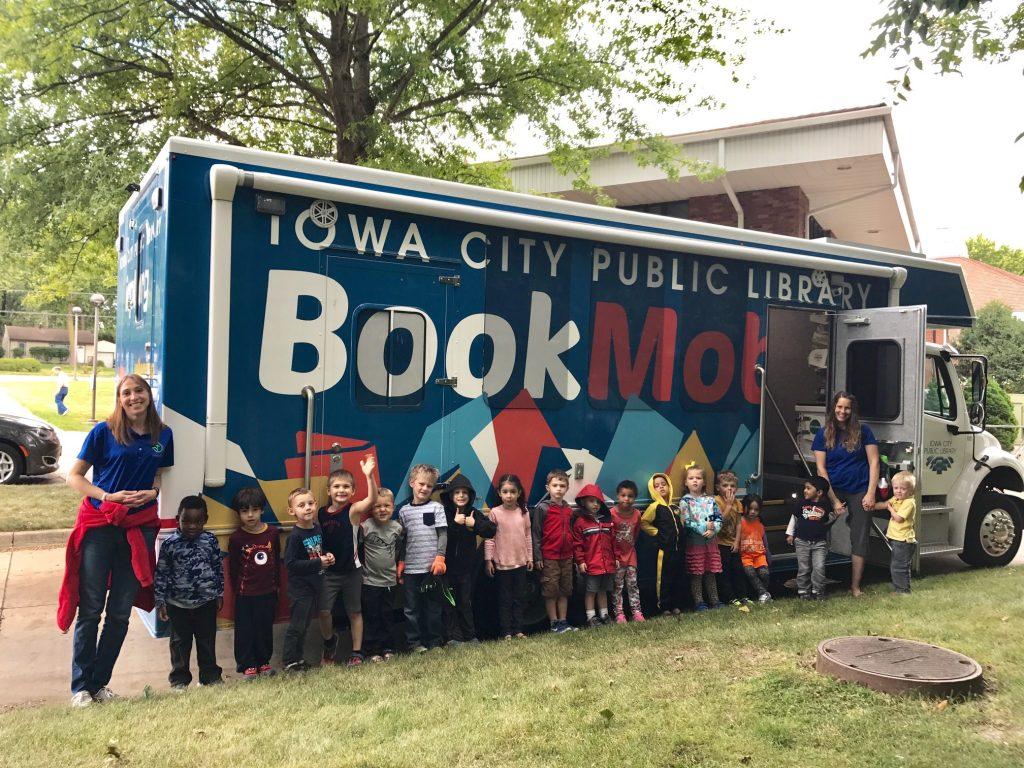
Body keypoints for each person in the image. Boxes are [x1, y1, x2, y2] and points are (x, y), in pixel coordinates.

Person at [61, 373, 173, 707]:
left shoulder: (162, 435)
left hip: (139, 527)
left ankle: (99, 684)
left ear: (148, 395)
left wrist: (151, 492)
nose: (134, 397)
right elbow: (74, 476)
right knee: (91, 608)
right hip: (100, 526)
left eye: (139, 390)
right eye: (126, 393)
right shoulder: (104, 432)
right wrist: (107, 496)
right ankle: (80, 687)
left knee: (120, 612)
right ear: (119, 399)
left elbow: (159, 476)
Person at [813, 391, 880, 597]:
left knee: (860, 537)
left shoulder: (864, 431)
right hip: (832, 488)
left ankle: (855, 587)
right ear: (834, 407)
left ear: (852, 410)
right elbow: (821, 470)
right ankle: (814, 584)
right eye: (839, 407)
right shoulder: (823, 433)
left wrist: (870, 493)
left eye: (847, 408)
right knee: (814, 530)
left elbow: (874, 462)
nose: (843, 411)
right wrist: (833, 500)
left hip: (859, 489)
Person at [154, 495, 224, 689]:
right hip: (177, 604)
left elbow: (217, 567)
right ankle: (179, 680)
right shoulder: (170, 544)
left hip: (206, 602)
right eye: (187, 521)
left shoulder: (210, 541)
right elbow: (162, 573)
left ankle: (209, 677)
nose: (192, 526)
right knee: (179, 643)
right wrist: (160, 601)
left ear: (205, 520)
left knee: (206, 640)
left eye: (197, 522)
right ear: (178, 519)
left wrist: (219, 593)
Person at [318, 457, 378, 667]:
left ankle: (356, 652)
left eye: (346, 487)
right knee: (324, 612)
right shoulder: (320, 514)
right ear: (328, 491)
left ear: (353, 492)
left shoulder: (352, 511)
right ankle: (329, 641)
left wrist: (369, 476)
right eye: (336, 486)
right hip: (329, 573)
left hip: (352, 572)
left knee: (354, 612)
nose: (341, 490)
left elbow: (371, 500)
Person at [228, 486, 280, 679]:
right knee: (245, 631)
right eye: (244, 511)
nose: (250, 515)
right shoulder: (236, 538)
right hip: (245, 594)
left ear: (262, 510)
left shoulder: (273, 533)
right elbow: (233, 569)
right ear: (238, 513)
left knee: (264, 628)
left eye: (254, 510)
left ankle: (264, 662)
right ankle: (247, 665)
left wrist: (277, 588)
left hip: (268, 592)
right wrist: (238, 591)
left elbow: (276, 561)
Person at [440, 474, 496, 645]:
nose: (461, 496)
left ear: (470, 495)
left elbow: (491, 530)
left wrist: (475, 524)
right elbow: (442, 536)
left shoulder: (473, 513)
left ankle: (470, 636)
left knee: (465, 602)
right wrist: (456, 524)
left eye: (465, 492)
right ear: (450, 496)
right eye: (457, 492)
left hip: (466, 569)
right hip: (446, 569)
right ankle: (452, 638)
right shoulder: (445, 514)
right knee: (449, 604)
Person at [397, 464, 448, 652]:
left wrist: (440, 558)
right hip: (411, 570)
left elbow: (442, 535)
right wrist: (401, 562)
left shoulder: (436, 508)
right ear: (412, 483)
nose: (424, 488)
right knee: (411, 609)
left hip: (431, 569)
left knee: (433, 608)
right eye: (421, 484)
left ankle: (434, 642)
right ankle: (414, 644)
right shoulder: (403, 511)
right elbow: (403, 540)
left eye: (429, 485)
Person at [282, 487, 334, 672]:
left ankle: (299, 659)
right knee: (297, 625)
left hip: (317, 584)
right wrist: (317, 563)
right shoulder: (295, 536)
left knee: (305, 625)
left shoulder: (318, 530)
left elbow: (321, 551)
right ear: (292, 511)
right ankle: (290, 661)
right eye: (301, 505)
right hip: (300, 588)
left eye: (310, 504)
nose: (307, 508)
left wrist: (328, 556)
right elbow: (291, 564)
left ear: (316, 505)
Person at [484, 474, 534, 639]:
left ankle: (518, 629)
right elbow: (489, 538)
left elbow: (528, 536)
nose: (509, 495)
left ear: (519, 493)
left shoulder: (523, 512)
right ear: (499, 493)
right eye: (505, 491)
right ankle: (506, 632)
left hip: (520, 563)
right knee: (504, 599)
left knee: (519, 598)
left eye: (513, 491)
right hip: (502, 564)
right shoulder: (495, 513)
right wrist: (488, 560)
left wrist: (530, 558)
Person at [360, 488, 404, 661]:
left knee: (387, 616)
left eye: (386, 505)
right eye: (377, 506)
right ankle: (373, 651)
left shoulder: (397, 528)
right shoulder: (366, 527)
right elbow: (358, 550)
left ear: (393, 507)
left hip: (389, 582)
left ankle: (388, 648)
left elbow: (400, 550)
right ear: (371, 509)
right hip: (369, 582)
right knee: (371, 617)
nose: (382, 509)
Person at [531, 469, 576, 633]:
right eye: (555, 485)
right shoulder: (542, 509)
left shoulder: (568, 510)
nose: (558, 489)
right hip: (549, 557)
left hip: (566, 557)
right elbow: (536, 534)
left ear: (567, 488)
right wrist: (537, 556)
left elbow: (572, 532)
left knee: (565, 590)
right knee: (551, 591)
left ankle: (563, 621)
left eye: (562, 486)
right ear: (547, 488)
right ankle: (553, 623)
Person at [785, 477, 841, 601]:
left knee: (819, 567)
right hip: (802, 541)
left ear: (819, 492)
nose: (805, 490)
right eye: (805, 487)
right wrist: (790, 534)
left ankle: (818, 591)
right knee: (804, 567)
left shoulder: (825, 505)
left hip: (819, 542)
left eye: (808, 488)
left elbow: (826, 522)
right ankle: (804, 591)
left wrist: (836, 515)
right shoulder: (801, 503)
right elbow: (794, 518)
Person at [640, 472, 688, 615]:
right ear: (652, 489)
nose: (661, 487)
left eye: (663, 484)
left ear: (669, 486)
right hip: (664, 551)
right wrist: (656, 533)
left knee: (678, 577)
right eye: (656, 486)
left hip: (678, 550)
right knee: (664, 579)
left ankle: (676, 604)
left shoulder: (675, 507)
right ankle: (664, 606)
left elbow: (681, 523)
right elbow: (643, 522)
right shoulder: (655, 507)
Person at [572, 482, 616, 628]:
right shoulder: (581, 522)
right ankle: (591, 617)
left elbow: (612, 542)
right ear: (583, 502)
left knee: (603, 590)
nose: (595, 504)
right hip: (592, 563)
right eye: (591, 501)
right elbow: (577, 544)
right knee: (591, 591)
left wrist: (615, 558)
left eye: (598, 501)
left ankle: (604, 615)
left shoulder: (606, 521)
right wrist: (580, 561)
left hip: (606, 564)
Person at [680, 465, 722, 611]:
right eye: (691, 478)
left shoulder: (710, 500)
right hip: (695, 543)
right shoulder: (685, 501)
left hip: (711, 543)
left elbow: (718, 517)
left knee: (710, 573)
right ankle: (699, 602)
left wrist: (713, 529)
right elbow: (687, 521)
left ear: (704, 482)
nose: (695, 481)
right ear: (686, 482)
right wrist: (704, 529)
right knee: (696, 574)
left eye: (698, 478)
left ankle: (715, 600)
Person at [874, 471, 917, 594]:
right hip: (896, 539)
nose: (898, 491)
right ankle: (901, 589)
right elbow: (884, 504)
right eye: (896, 488)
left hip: (904, 541)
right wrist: (871, 506)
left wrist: (890, 508)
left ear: (910, 491)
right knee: (896, 566)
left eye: (903, 489)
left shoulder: (909, 503)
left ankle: (903, 591)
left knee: (900, 567)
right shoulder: (897, 499)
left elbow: (898, 518)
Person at [610, 480, 644, 623]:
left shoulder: (636, 514)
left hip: (630, 555)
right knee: (617, 585)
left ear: (634, 497)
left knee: (632, 584)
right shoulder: (612, 513)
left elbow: (635, 533)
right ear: (618, 496)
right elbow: (609, 536)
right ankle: (619, 613)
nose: (626, 499)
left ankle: (636, 612)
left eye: (630, 496)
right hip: (616, 556)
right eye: (623, 495)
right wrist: (614, 555)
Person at [714, 469, 748, 607]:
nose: (729, 488)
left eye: (732, 486)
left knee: (738, 570)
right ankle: (729, 597)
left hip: (733, 543)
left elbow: (739, 524)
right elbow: (718, 521)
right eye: (725, 485)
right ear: (718, 488)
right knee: (724, 572)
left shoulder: (738, 503)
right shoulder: (715, 501)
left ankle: (743, 596)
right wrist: (728, 505)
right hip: (720, 543)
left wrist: (737, 541)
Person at [735, 494, 772, 603]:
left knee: (764, 574)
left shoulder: (759, 523)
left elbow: (764, 541)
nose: (752, 512)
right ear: (744, 507)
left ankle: (763, 594)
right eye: (750, 508)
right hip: (745, 555)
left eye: (756, 509)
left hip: (759, 555)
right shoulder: (740, 522)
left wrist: (768, 555)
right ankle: (764, 594)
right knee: (750, 572)